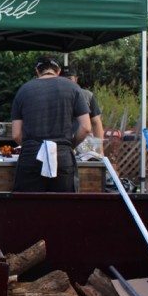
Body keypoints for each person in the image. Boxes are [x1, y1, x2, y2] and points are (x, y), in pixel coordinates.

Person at [11, 55, 91, 193]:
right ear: (58, 71)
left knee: (28, 209)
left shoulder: (23, 90)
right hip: (62, 156)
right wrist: (69, 146)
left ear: (37, 71)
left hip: (31, 156)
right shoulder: (73, 88)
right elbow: (86, 127)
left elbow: (16, 134)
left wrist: (33, 147)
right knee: (62, 209)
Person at [62, 65, 104, 154]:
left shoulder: (87, 95)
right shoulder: (54, 97)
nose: (67, 82)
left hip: (84, 145)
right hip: (62, 146)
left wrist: (100, 150)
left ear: (76, 79)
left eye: (69, 78)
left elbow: (96, 123)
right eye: (63, 79)